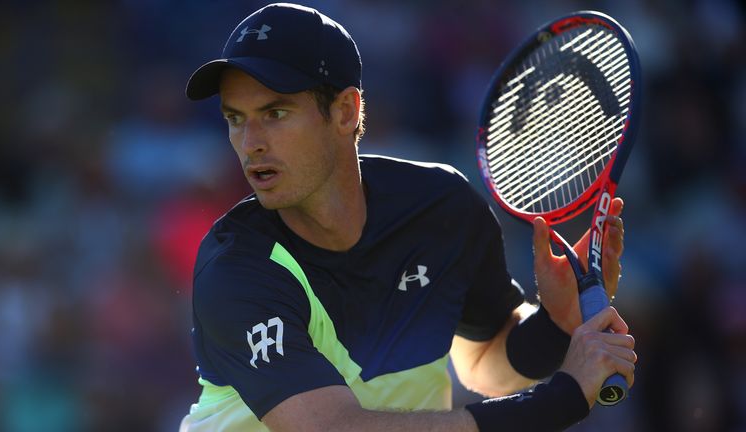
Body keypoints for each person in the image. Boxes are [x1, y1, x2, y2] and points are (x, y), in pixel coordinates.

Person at [179, 3, 636, 431]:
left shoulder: (441, 209)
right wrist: (563, 399)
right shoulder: (236, 269)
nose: (250, 142)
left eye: (275, 113)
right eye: (235, 118)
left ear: (345, 112)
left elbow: (486, 365)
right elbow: (334, 428)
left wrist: (556, 322)